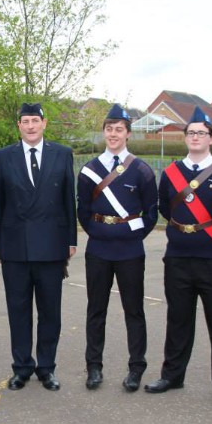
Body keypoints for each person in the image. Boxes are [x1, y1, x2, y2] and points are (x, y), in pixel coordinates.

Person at [144, 106, 212, 407]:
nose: (195, 137)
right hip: (177, 256)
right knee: (178, 320)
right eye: (191, 133)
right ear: (185, 137)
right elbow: (165, 205)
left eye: (201, 133)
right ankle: (172, 375)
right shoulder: (172, 173)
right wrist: (183, 227)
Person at [0, 102, 77, 391]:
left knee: (50, 311)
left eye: (34, 121)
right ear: (19, 125)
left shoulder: (62, 154)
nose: (30, 126)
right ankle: (22, 367)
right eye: (25, 121)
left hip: (51, 245)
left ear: (44, 123)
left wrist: (71, 240)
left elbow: (68, 198)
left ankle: (47, 368)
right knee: (18, 309)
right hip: (14, 246)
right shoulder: (3, 156)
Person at [77, 104, 158, 392]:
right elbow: (83, 211)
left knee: (133, 311)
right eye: (109, 129)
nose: (113, 134)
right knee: (95, 310)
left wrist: (128, 234)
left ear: (128, 133)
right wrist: (99, 232)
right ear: (104, 132)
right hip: (98, 249)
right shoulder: (90, 170)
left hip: (130, 252)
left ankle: (136, 368)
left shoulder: (142, 170)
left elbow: (150, 214)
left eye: (119, 129)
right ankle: (94, 367)